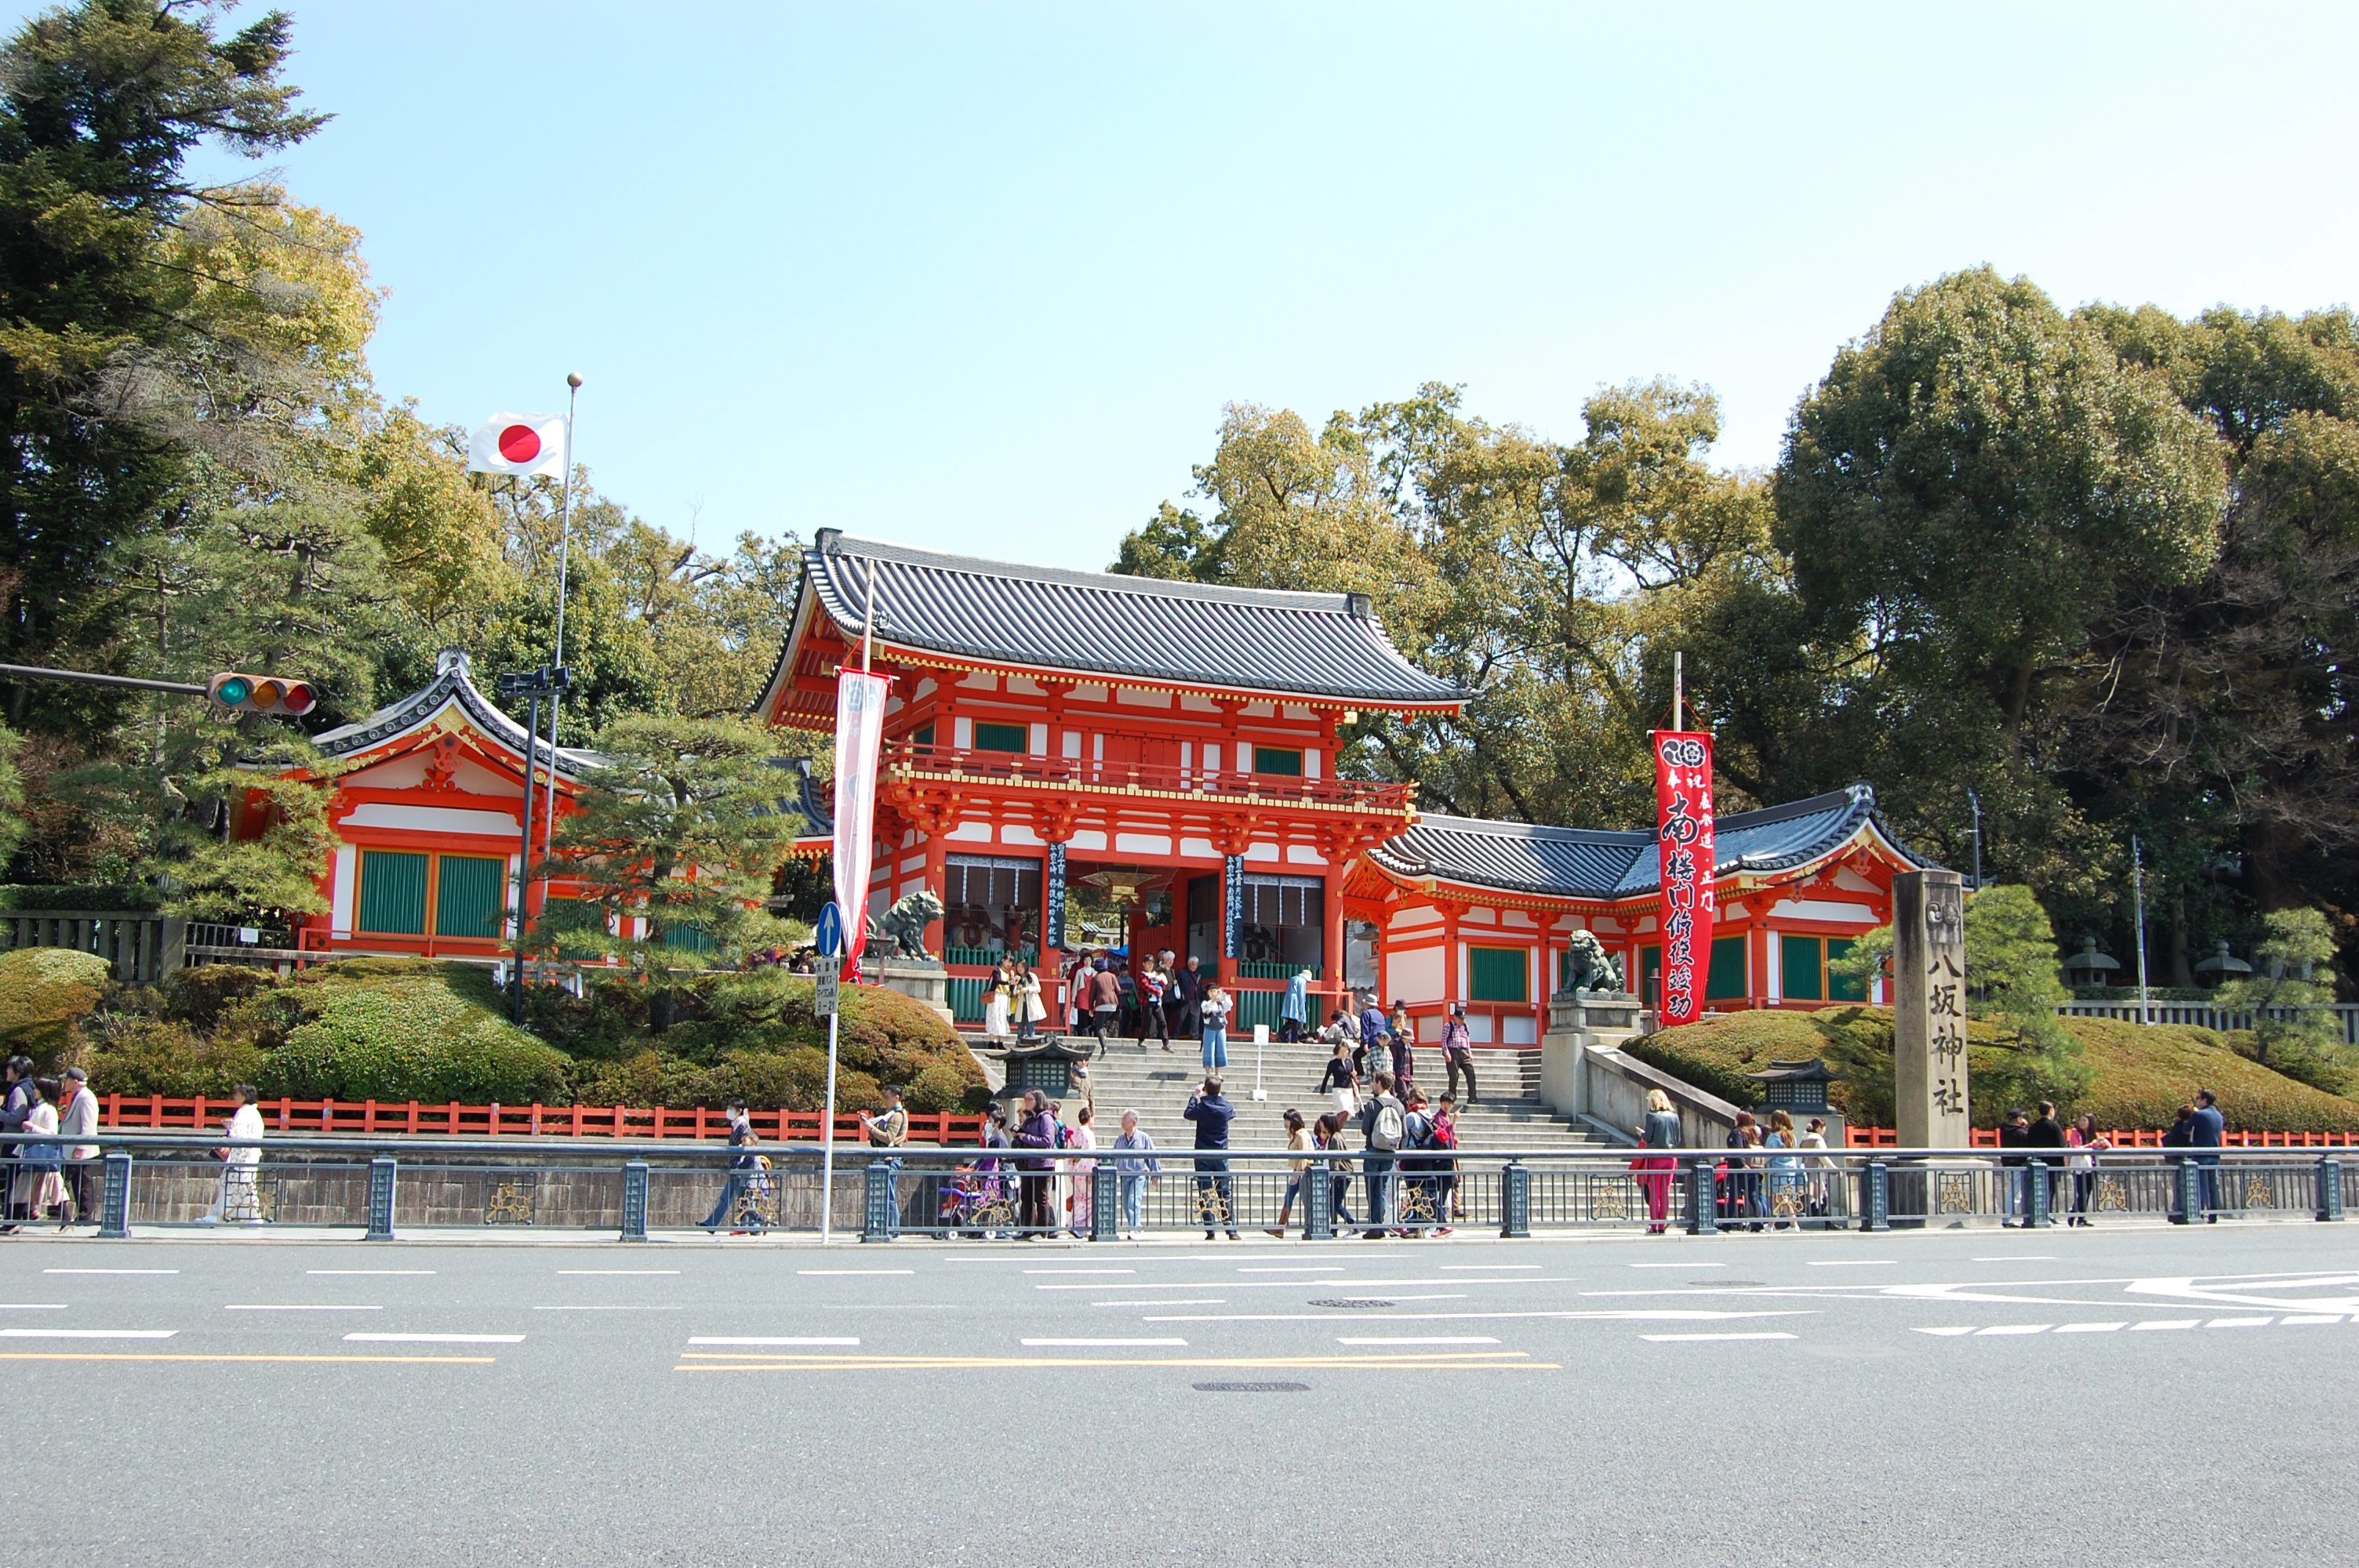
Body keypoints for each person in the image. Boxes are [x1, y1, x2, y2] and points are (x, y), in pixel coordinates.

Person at [1183, 1075, 1239, 1240]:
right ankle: (1231, 1230)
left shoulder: (1202, 1107)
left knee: (1205, 1192)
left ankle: (1210, 1230)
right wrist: (1216, 1095)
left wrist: (1195, 1097)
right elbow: (1231, 1112)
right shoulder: (1226, 1106)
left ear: (1205, 1089)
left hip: (1203, 1153)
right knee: (1224, 1193)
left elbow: (1188, 1114)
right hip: (1221, 1153)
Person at [202, 1083, 265, 1225]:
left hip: (242, 1156)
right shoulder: (253, 1113)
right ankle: (244, 1216)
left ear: (244, 1096)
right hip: (248, 1155)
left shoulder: (244, 1113)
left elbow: (239, 1135)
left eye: (237, 1094)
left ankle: (229, 1215)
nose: (234, 1097)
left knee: (237, 1185)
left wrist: (230, 1127)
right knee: (241, 1185)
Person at [700, 1101, 761, 1232]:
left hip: (741, 1171)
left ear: (739, 1110)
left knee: (743, 1200)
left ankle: (755, 1226)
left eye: (731, 1108)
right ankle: (711, 1224)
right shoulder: (737, 1125)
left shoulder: (742, 1125)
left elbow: (748, 1147)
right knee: (730, 1199)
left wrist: (740, 1165)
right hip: (736, 1169)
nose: (729, 1111)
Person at [1358, 1072, 1405, 1240]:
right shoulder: (1399, 1105)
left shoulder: (1372, 1104)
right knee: (1382, 1189)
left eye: (1374, 1082)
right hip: (1389, 1152)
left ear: (1379, 1083)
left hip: (1373, 1151)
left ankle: (1375, 1226)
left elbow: (1365, 1130)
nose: (1372, 1085)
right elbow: (1404, 1132)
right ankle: (1379, 1226)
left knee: (1372, 1190)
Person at [12, 1080, 66, 1224]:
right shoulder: (41, 1107)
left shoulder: (49, 1109)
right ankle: (66, 1218)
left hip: (40, 1154)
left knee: (24, 1188)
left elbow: (52, 1133)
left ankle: (14, 1222)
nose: (34, 1091)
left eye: (37, 1088)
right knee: (54, 1188)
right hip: (38, 1155)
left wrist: (32, 1127)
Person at [1012, 1090, 1059, 1237]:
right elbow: (1026, 1139)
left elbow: (1047, 1141)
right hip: (1028, 1163)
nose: (1026, 1102)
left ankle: (1043, 1230)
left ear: (1038, 1100)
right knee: (1026, 1197)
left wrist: (1025, 1137)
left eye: (1029, 1099)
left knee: (1041, 1197)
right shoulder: (1030, 1119)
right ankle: (1028, 1229)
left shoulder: (1046, 1118)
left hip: (1042, 1163)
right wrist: (1018, 1136)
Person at [1635, 1087, 1681, 1234]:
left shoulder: (1652, 1116)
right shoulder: (1674, 1117)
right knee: (1665, 1191)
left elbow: (1648, 1138)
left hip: (1656, 1157)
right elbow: (1677, 1139)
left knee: (1654, 1191)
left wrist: (1641, 1133)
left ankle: (1654, 1224)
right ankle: (1662, 1224)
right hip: (1671, 1157)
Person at [56, 1067, 98, 1225]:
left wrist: (81, 1147)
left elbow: (88, 1125)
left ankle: (79, 1215)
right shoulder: (79, 1096)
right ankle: (83, 1216)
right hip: (72, 1148)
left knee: (73, 1181)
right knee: (80, 1181)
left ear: (74, 1082)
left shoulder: (86, 1097)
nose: (64, 1083)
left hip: (79, 1149)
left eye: (66, 1080)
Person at [0, 1056, 35, 1231]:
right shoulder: (24, 1088)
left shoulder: (19, 1090)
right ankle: (24, 1213)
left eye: (10, 1068)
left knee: (9, 1182)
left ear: (18, 1072)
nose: (7, 1071)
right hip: (15, 1140)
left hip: (13, 1141)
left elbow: (16, 1117)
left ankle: (11, 1220)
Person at [1111, 1109, 1159, 1239]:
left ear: (1134, 1122)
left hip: (1139, 1174)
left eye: (1125, 1120)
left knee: (1133, 1201)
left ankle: (1135, 1228)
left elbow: (1152, 1156)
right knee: (1126, 1203)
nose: (1122, 1122)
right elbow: (1113, 1157)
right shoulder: (1120, 1140)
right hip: (1125, 1174)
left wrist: (1155, 1173)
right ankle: (1134, 1226)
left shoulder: (1143, 1138)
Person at [1270, 1107, 1312, 1236]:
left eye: (1287, 1120)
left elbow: (1305, 1155)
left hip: (1303, 1172)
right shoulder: (1295, 1135)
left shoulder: (1301, 1135)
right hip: (1298, 1171)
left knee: (1305, 1200)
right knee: (1288, 1198)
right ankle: (1280, 1227)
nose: (1286, 1123)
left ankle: (1308, 1227)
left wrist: (1297, 1175)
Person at [2026, 1100, 2066, 1220]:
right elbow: (2061, 1145)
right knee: (2050, 1190)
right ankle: (2048, 1214)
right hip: (2054, 1163)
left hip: (2037, 1162)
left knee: (2039, 1190)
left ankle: (2038, 1214)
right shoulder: (2054, 1126)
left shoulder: (2034, 1127)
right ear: (2050, 1110)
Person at [2066, 1112, 2110, 1225]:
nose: (2082, 1123)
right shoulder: (2075, 1133)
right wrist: (2093, 1145)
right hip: (2078, 1165)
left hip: (2091, 1166)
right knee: (2082, 1193)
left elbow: (2106, 1146)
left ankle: (2081, 1218)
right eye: (2081, 1120)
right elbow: (2077, 1148)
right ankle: (2073, 1212)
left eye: (2085, 1120)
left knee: (2088, 1192)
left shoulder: (2094, 1135)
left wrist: (2103, 1143)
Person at [1315, 1112, 1355, 1228]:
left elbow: (1336, 1159)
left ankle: (1353, 1224)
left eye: (1322, 1123)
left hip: (1341, 1175)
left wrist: (1333, 1176)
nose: (1321, 1126)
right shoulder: (1332, 1137)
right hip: (1339, 1174)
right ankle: (1333, 1227)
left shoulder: (1336, 1138)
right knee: (1332, 1202)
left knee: (1335, 1203)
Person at [1764, 1109, 1802, 1229]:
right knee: (1780, 1200)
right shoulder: (1791, 1136)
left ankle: (1794, 1225)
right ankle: (1770, 1225)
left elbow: (1767, 1156)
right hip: (1790, 1172)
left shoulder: (1774, 1138)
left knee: (1782, 1199)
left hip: (1777, 1172)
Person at [2190, 1088, 2225, 1221]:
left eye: (2198, 1098)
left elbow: (2186, 1129)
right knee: (2213, 1185)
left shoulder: (2199, 1115)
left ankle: (2200, 1212)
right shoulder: (2218, 1115)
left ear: (2205, 1100)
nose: (2197, 1101)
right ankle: (2214, 1214)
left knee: (2201, 1185)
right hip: (2215, 1154)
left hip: (2200, 1154)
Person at [1430, 1093, 1462, 1229]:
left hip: (1448, 1157)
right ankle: (1440, 1221)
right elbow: (1443, 1135)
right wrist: (1455, 1121)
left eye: (1449, 1103)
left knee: (1446, 1190)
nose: (1446, 1106)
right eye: (1444, 1103)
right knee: (1443, 1191)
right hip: (1442, 1160)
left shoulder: (1446, 1117)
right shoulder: (1439, 1117)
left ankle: (1440, 1220)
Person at [1067, 1104, 1098, 1238]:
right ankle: (1078, 1226)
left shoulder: (1077, 1132)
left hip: (1076, 1169)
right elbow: (1090, 1153)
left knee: (1080, 1199)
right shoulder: (1089, 1134)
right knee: (1089, 1200)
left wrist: (1073, 1169)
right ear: (1090, 1118)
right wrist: (1091, 1170)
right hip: (1085, 1171)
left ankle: (1076, 1225)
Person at [2161, 1103, 2197, 1223]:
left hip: (2177, 1159)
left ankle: (2177, 1210)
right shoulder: (2188, 1128)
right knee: (2189, 1187)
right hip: (2187, 1159)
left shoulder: (2177, 1125)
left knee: (2178, 1186)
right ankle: (2186, 1211)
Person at [1997, 1108, 2032, 1225]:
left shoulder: (2004, 1130)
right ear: (2019, 1119)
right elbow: (2027, 1145)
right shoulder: (2020, 1132)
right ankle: (2006, 1219)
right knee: (2016, 1194)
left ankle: (2008, 1218)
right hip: (2017, 1164)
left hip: (2007, 1163)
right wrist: (2026, 1128)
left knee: (2014, 1191)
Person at [1440, 1004, 1478, 1104]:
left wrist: (1470, 1052)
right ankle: (1452, 1098)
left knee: (1471, 1074)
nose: (1462, 1021)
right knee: (1454, 1077)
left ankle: (1473, 1098)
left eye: (1463, 1019)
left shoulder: (1465, 1027)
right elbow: (1444, 1041)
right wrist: (1447, 1053)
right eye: (1460, 1018)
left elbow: (1467, 1039)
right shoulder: (1449, 1026)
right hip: (1453, 1052)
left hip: (1464, 1052)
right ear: (1455, 1017)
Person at [1086, 958, 1122, 1051]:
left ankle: (1104, 1046)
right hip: (1113, 1004)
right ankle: (1105, 1035)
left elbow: (1092, 995)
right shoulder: (1112, 976)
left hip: (1101, 1003)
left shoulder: (1096, 978)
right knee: (1104, 1021)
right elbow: (1119, 990)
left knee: (1099, 1026)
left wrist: (1090, 1008)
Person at [1318, 1040, 1360, 1117]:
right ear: (1337, 1051)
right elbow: (1327, 1077)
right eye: (1341, 1051)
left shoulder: (1350, 1062)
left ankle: (1341, 1123)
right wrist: (1323, 1090)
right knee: (1342, 1109)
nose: (1344, 1053)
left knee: (1349, 1111)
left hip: (1348, 1089)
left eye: (1345, 1051)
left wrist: (1354, 1074)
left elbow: (1352, 1075)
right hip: (1338, 1089)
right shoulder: (1333, 1063)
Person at [1137, 957, 1171, 1050]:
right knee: (1147, 1023)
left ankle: (1166, 1043)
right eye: (1148, 963)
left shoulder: (1155, 974)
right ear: (1144, 964)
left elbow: (1164, 985)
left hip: (1157, 1002)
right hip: (1147, 1002)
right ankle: (1141, 1039)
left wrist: (1160, 982)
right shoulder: (1142, 975)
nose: (1150, 965)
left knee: (1162, 1022)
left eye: (1152, 963)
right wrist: (1157, 991)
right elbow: (1146, 987)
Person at [1199, 985, 1233, 1072]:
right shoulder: (1205, 1003)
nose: (1213, 993)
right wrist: (1213, 1001)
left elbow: (1230, 1004)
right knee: (1209, 1050)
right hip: (1209, 1029)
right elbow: (1205, 1009)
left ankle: (1217, 1073)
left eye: (1215, 991)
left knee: (1220, 1050)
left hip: (1220, 1029)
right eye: (1211, 991)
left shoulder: (1221, 1004)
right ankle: (1208, 1073)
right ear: (1208, 993)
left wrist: (1222, 995)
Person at [1171, 954, 1204, 1039]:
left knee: (1195, 1019)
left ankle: (1194, 1036)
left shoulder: (1198, 974)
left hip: (1195, 999)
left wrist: (1201, 997)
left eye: (1196, 964)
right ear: (1188, 964)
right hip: (1184, 999)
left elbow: (1200, 987)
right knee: (1181, 1018)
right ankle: (1175, 1035)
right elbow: (1177, 985)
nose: (1194, 966)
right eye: (1192, 964)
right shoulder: (1181, 972)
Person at [984, 958, 1015, 1042]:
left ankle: (1000, 1041)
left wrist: (1012, 979)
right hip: (996, 996)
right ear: (1003, 960)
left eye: (1011, 962)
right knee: (994, 1016)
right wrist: (1009, 982)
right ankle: (992, 1040)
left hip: (1004, 997)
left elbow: (1011, 987)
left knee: (1002, 1018)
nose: (1009, 964)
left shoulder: (1009, 973)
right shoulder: (997, 971)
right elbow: (997, 980)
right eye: (1008, 961)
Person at [1016, 963, 1046, 1043]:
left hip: (1030, 1004)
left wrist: (1027, 989)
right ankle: (1020, 1042)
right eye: (1018, 967)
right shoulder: (1017, 978)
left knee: (1030, 1025)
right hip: (1021, 1004)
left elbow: (1038, 988)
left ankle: (1031, 1043)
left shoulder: (1032, 976)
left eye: (1022, 967)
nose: (1020, 969)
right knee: (1020, 1025)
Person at [1281, 969, 1310, 1044]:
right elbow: (1301, 995)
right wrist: (1301, 1009)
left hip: (1289, 998)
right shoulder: (1302, 981)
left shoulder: (1293, 978)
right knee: (1295, 1020)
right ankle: (1294, 1039)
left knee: (1290, 1019)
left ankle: (1282, 1034)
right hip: (1295, 1000)